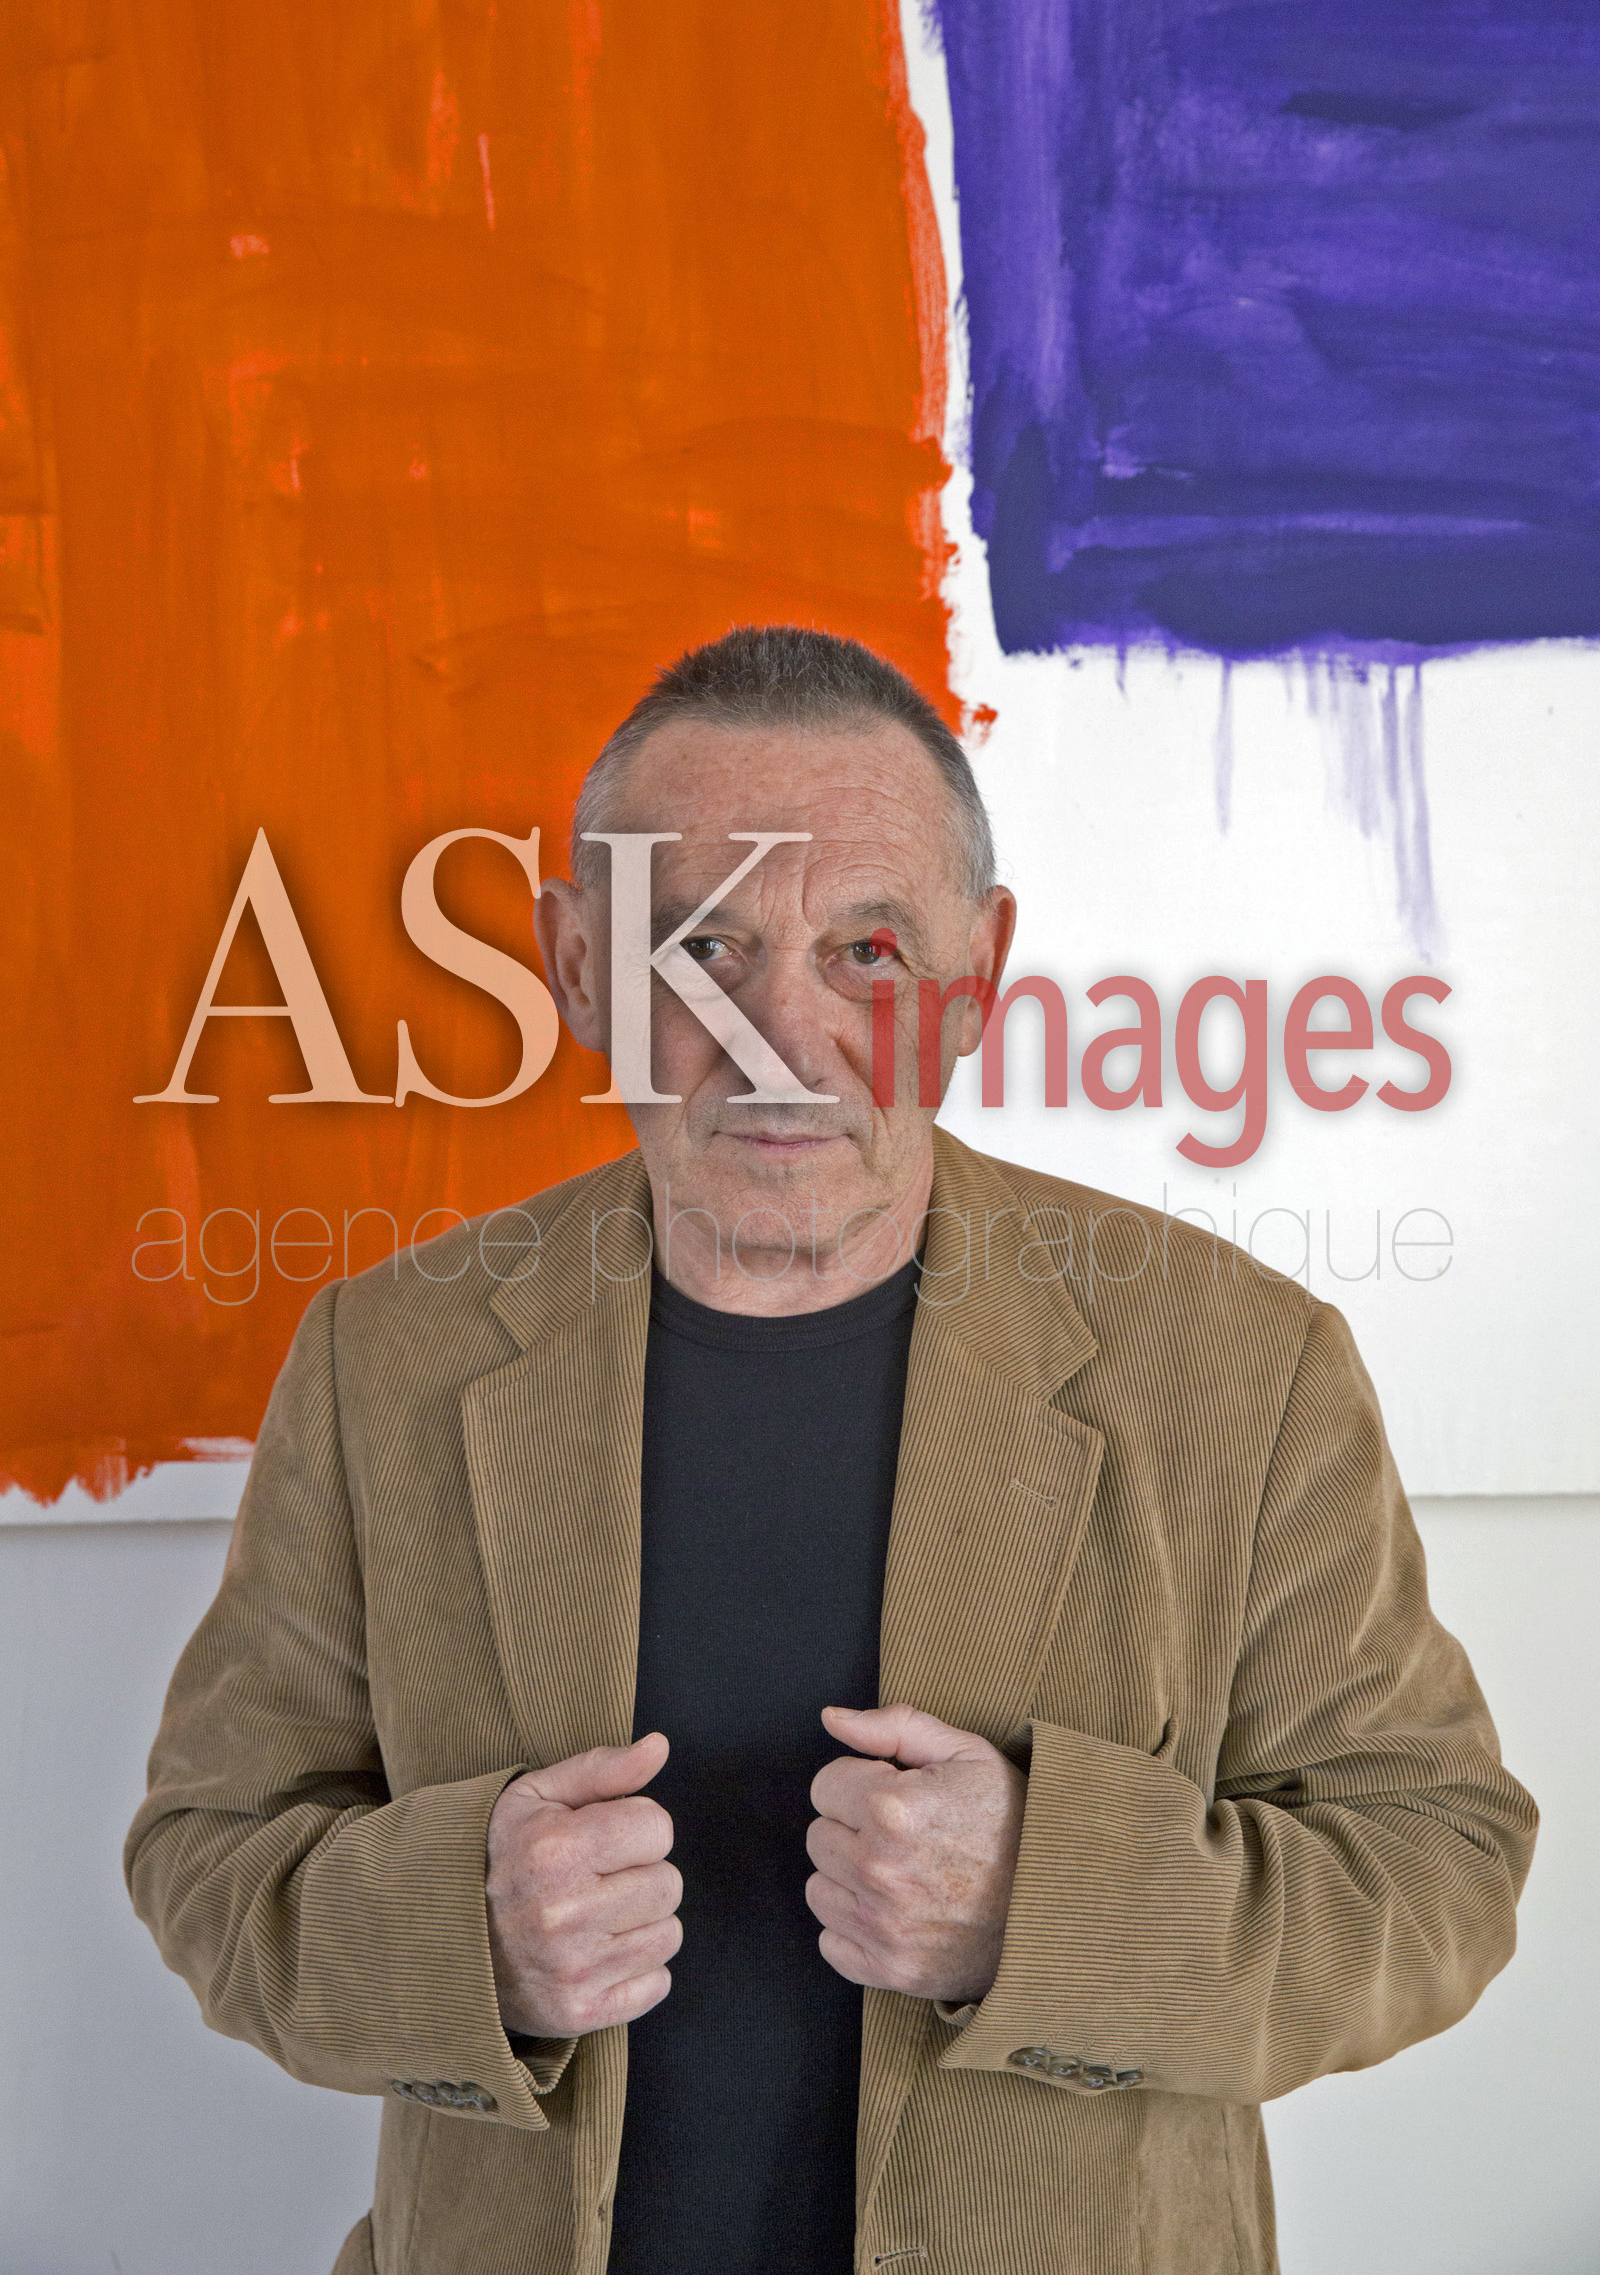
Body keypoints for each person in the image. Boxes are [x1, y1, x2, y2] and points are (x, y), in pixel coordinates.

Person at [125, 624, 1537, 2275]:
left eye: (867, 950)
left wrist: (1048, 1906)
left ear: (978, 978)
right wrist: (463, 1941)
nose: (781, 1038)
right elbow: (211, 1848)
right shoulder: (390, 1358)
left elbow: (1438, 1865)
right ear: (576, 966)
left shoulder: (1242, 1363)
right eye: (699, 950)